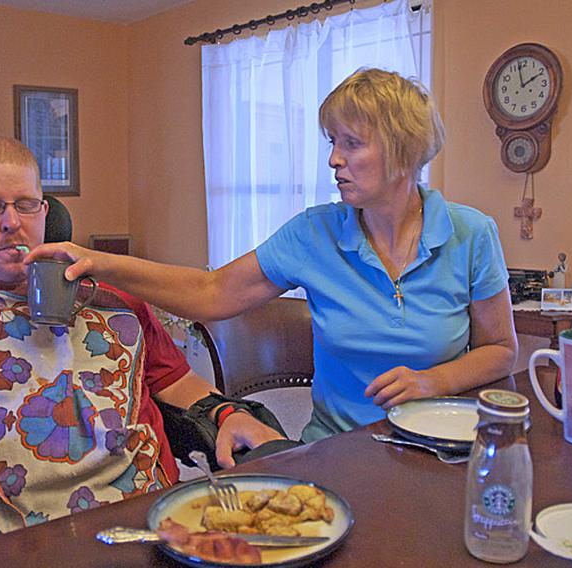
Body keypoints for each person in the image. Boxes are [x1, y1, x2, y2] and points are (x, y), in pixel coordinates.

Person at [27, 68, 517, 443]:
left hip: (441, 446)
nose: (333, 159)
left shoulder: (470, 234)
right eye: (332, 142)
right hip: (337, 452)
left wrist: (435, 381)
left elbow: (501, 349)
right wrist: (97, 261)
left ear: (404, 151)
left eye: (351, 143)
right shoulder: (313, 233)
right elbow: (211, 291)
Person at [0, 136, 283, 556]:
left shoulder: (115, 299)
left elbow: (178, 383)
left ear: (45, 211)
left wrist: (228, 413)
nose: (11, 222)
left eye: (25, 205)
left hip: (152, 520)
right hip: (7, 537)